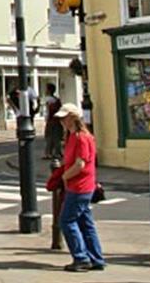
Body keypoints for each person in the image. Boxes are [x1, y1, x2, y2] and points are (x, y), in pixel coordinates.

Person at [55, 103, 105, 273]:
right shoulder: (72, 137)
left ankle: (81, 258)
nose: (62, 121)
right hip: (81, 186)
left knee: (66, 221)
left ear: (73, 117)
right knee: (85, 223)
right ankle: (96, 258)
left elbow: (80, 164)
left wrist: (65, 176)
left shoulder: (81, 138)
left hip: (80, 187)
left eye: (64, 118)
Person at [43, 83, 64, 160]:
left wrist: (47, 119)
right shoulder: (56, 99)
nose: (45, 91)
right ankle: (56, 152)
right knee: (55, 137)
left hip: (52, 121)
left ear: (49, 90)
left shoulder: (49, 99)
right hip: (56, 120)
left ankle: (50, 153)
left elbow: (49, 111)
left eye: (46, 89)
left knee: (50, 137)